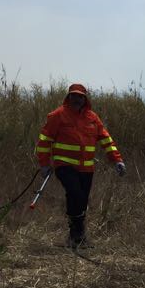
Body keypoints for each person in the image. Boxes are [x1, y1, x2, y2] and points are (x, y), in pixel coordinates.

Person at [35, 83, 125, 248]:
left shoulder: (92, 118)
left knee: (81, 200)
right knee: (74, 193)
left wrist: (117, 160)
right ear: (68, 97)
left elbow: (106, 140)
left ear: (85, 99)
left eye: (80, 97)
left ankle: (77, 237)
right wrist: (44, 164)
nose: (77, 99)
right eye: (74, 96)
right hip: (64, 166)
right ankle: (77, 234)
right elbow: (44, 141)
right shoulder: (57, 116)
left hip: (86, 168)